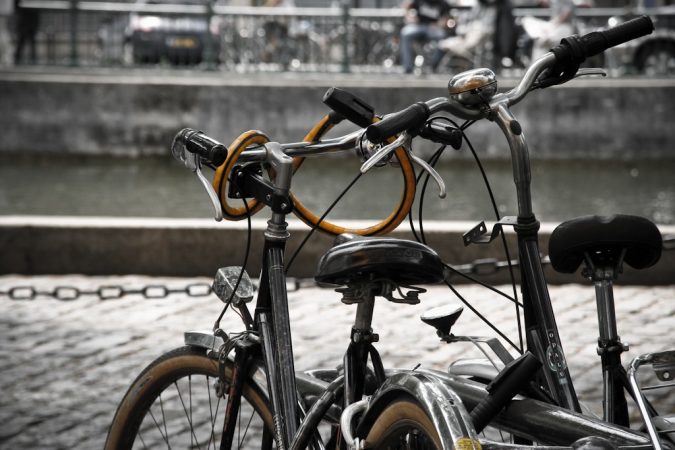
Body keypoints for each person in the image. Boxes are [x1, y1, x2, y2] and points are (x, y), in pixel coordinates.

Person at [399, 0, 450, 74]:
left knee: (442, 36)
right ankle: (408, 67)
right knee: (405, 33)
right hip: (419, 26)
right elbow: (407, 5)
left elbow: (446, 17)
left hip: (434, 28)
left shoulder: (442, 3)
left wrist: (439, 24)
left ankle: (433, 65)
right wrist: (409, 17)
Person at [13, 0, 39, 64]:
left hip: (31, 20)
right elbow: (16, 6)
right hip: (24, 20)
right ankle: (17, 58)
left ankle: (33, 58)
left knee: (31, 41)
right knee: (22, 40)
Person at [0, 0, 12, 66]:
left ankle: (6, 59)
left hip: (3, 12)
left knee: (3, 34)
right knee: (4, 33)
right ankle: (6, 59)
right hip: (5, 11)